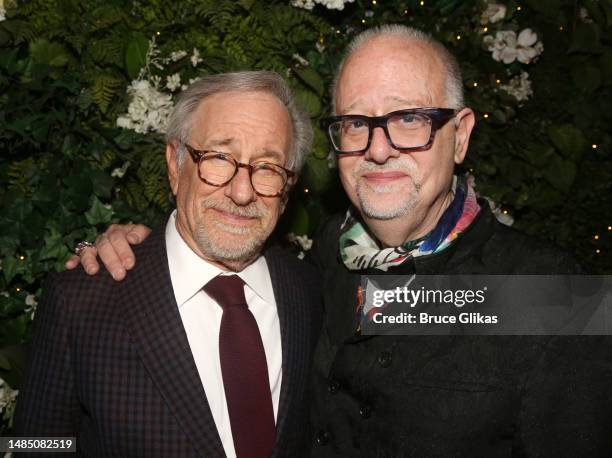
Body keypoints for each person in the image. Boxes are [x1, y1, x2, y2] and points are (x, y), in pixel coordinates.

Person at [67, 26, 612, 456]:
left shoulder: (557, 300)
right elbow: (29, 444)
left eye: (410, 119)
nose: (378, 149)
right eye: (355, 123)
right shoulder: (324, 261)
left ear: (461, 134)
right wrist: (142, 249)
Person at [15, 71, 322, 458]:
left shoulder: (309, 291)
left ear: (287, 188)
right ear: (176, 166)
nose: (242, 192)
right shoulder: (80, 300)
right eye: (219, 158)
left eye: (267, 168)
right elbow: (31, 445)